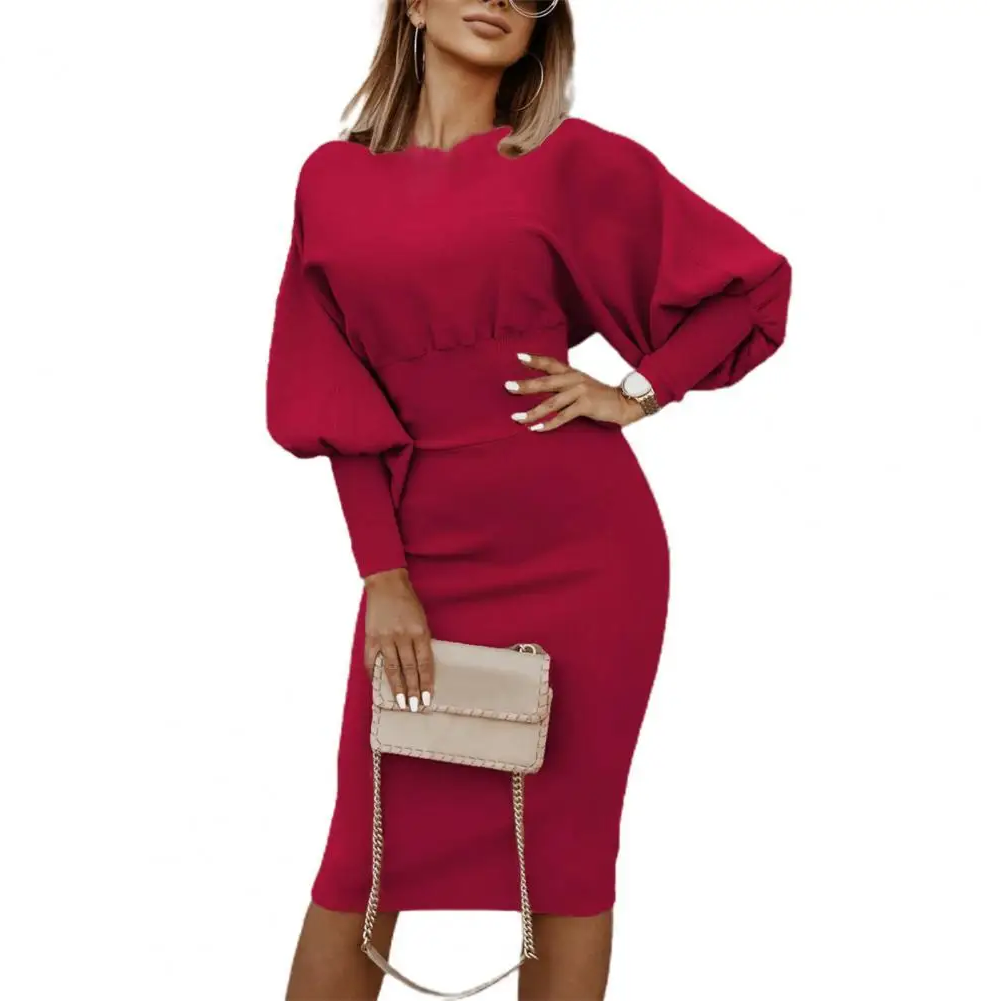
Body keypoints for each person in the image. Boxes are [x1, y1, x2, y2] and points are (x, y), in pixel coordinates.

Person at [266, 1, 793, 997]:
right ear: (412, 5)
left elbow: (750, 288)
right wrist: (382, 573)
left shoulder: (565, 160)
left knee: (564, 856)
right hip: (420, 555)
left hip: (585, 555)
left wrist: (638, 389)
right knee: (365, 854)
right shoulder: (329, 179)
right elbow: (331, 392)